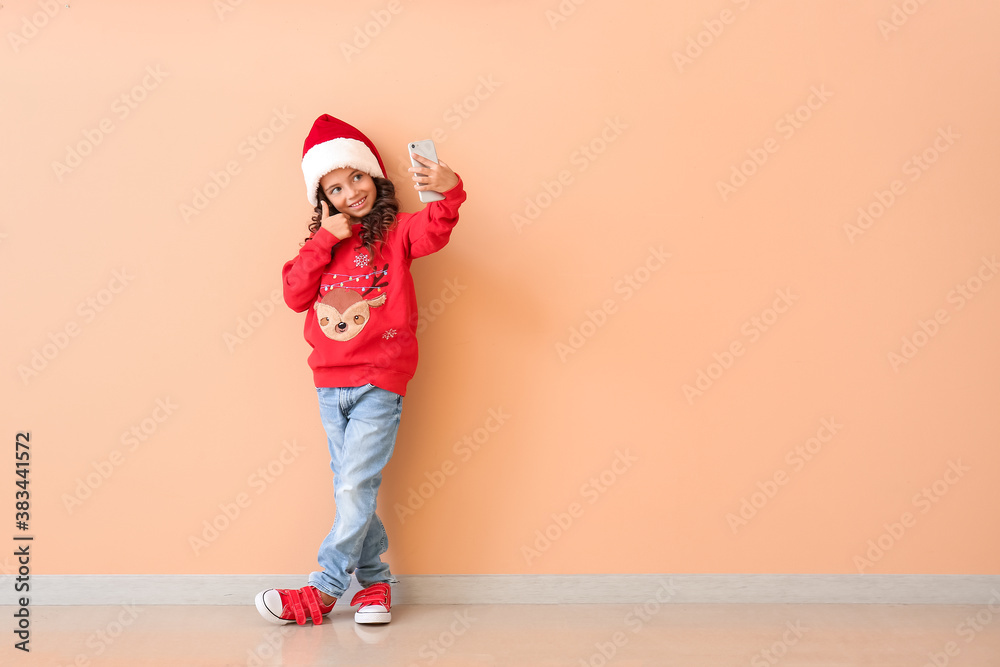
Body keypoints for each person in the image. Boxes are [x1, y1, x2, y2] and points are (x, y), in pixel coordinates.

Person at [255, 114, 466, 626]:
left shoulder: (396, 233)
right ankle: (374, 585)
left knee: (354, 486)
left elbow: (435, 230)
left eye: (357, 178)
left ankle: (323, 589)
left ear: (375, 178)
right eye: (336, 186)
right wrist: (325, 239)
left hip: (379, 380)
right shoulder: (322, 247)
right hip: (330, 385)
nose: (351, 191)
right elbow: (293, 294)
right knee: (353, 485)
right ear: (322, 198)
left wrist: (450, 191)